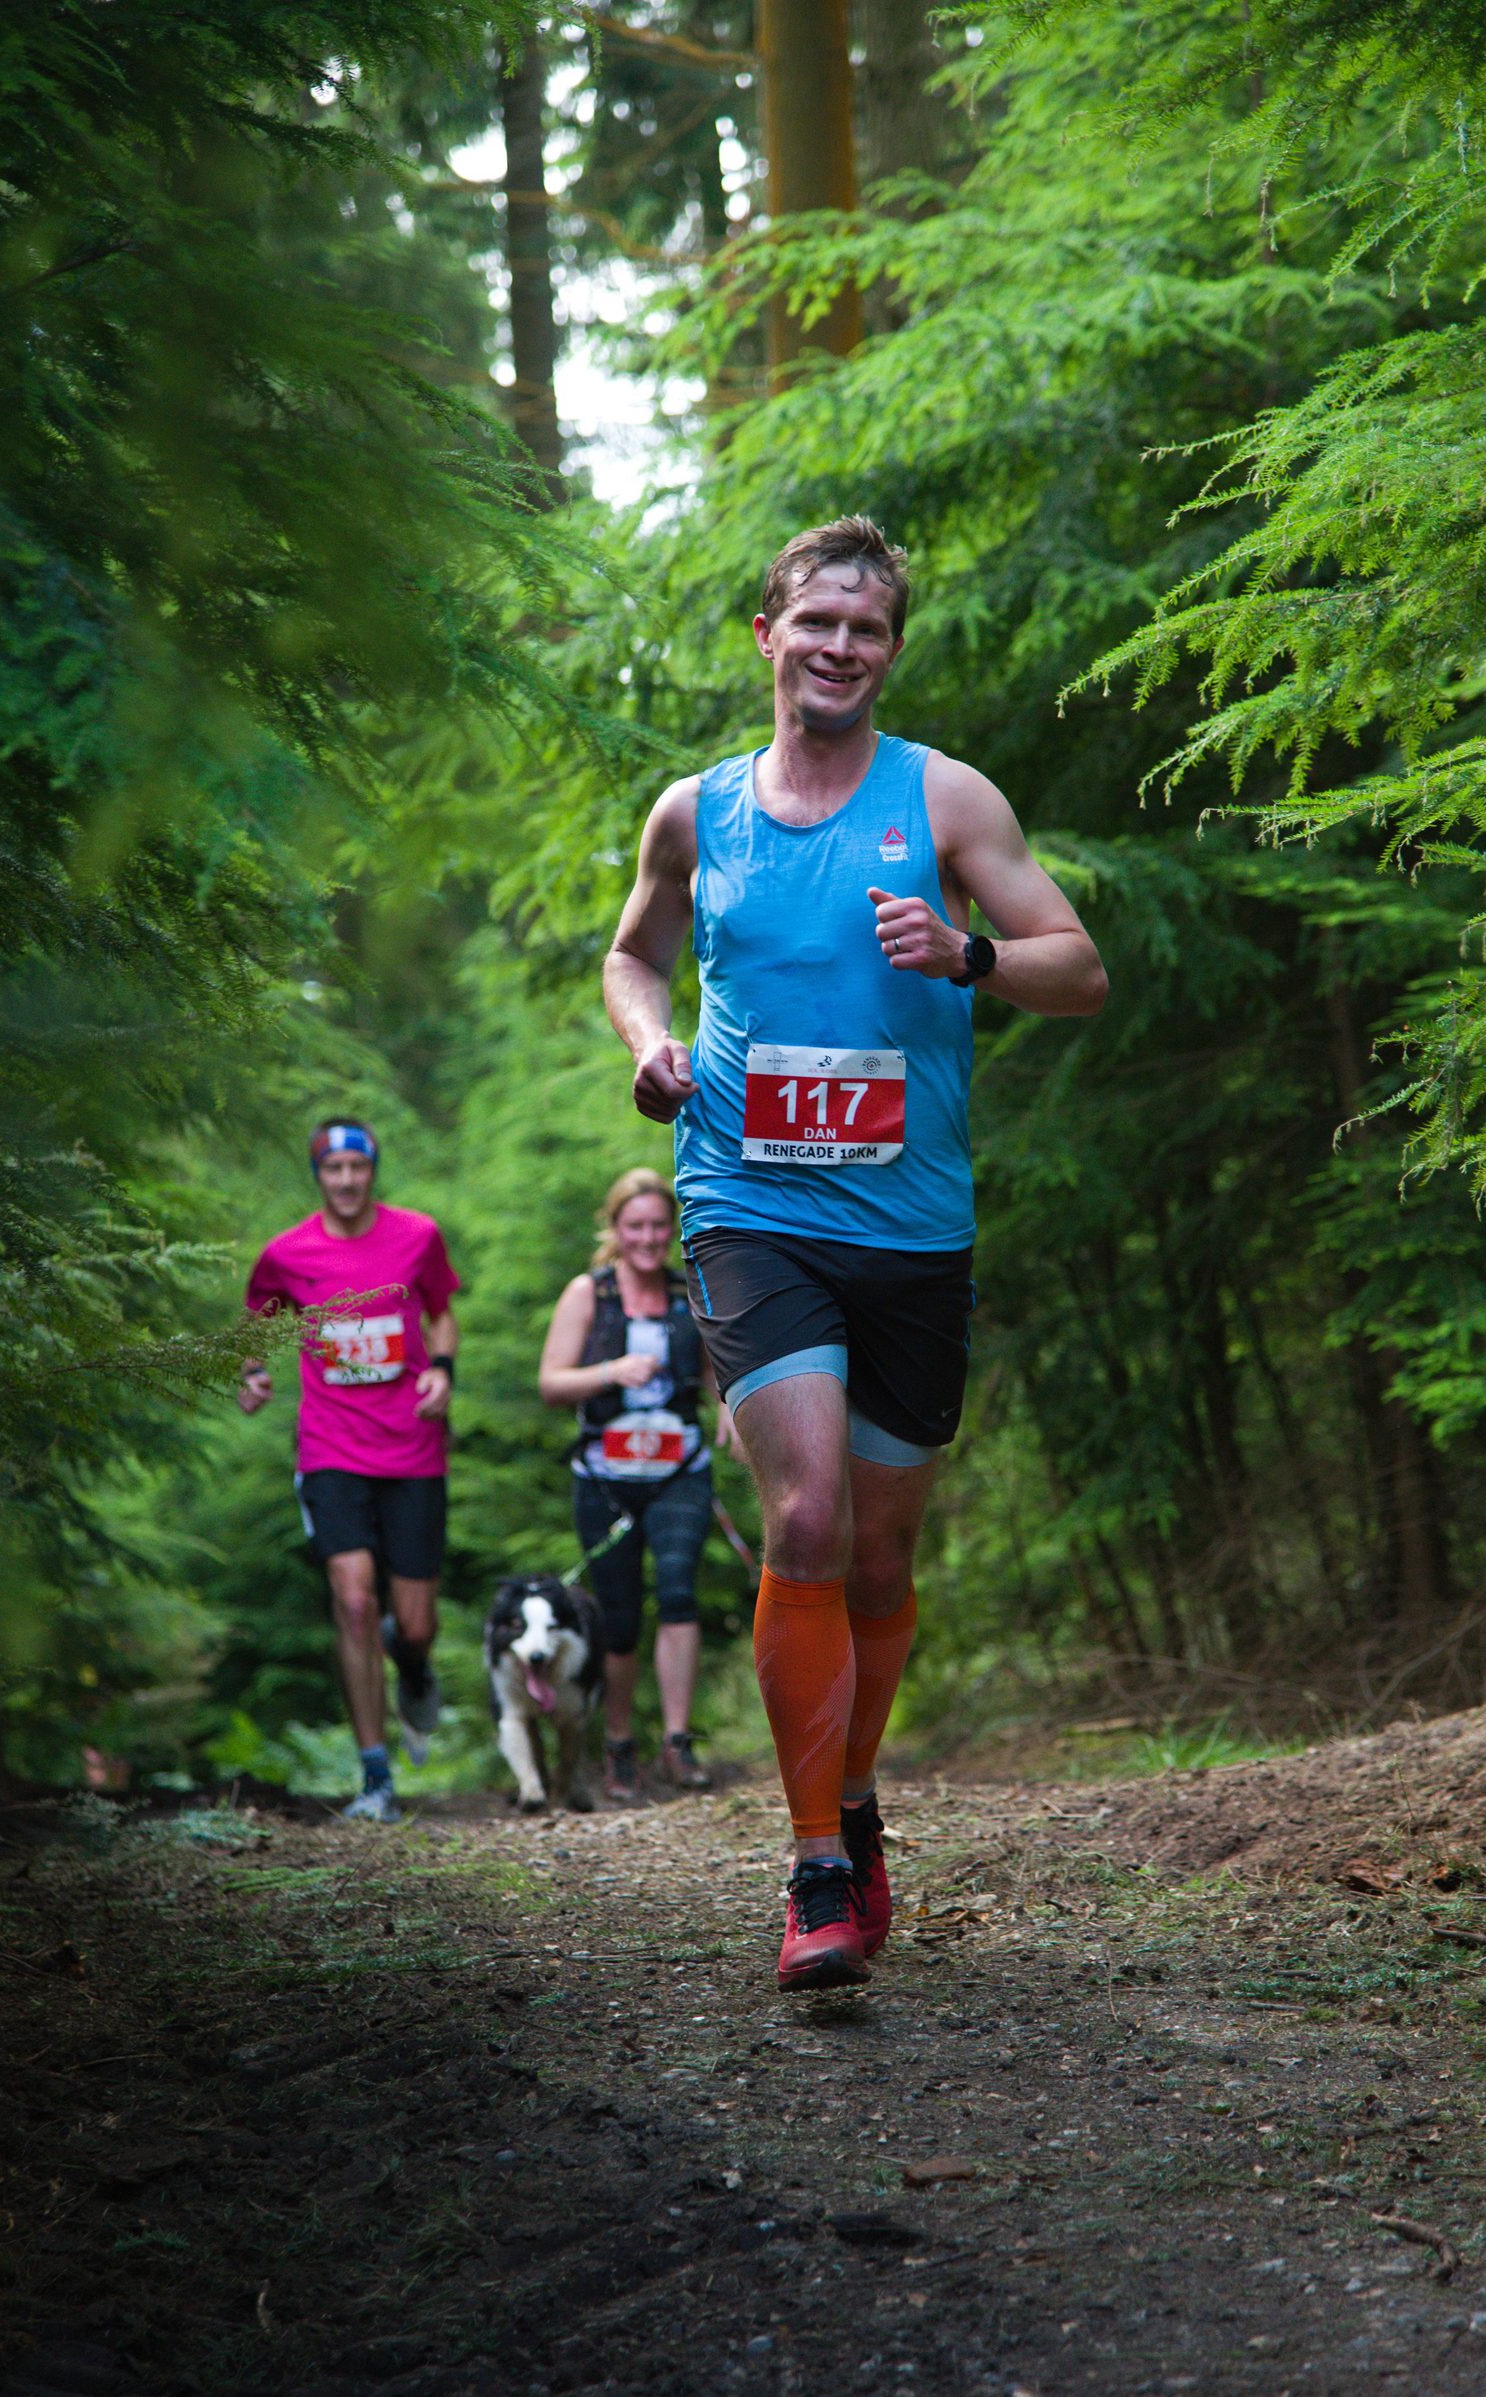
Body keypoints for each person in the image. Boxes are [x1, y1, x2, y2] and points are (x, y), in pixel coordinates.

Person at [603, 515, 1107, 1989]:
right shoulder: (696, 813)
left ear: (890, 651)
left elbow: (1077, 967)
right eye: (815, 622)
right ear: (768, 637)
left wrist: (969, 957)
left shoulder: (943, 801)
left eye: (866, 629)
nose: (838, 648)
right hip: (750, 1204)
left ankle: (856, 1800)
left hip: (911, 1227)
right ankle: (817, 1866)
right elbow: (633, 954)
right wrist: (652, 1041)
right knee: (809, 1515)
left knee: (881, 1556)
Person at [237, 1119, 461, 1825]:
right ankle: (375, 1777)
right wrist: (252, 1371)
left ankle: (414, 1663)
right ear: (317, 1173)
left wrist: (445, 1372)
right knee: (355, 1600)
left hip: (413, 1448)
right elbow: (255, 1322)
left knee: (415, 1623)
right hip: (331, 1449)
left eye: (355, 1167)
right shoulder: (286, 1253)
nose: (344, 1179)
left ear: (372, 1171)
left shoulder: (417, 1236)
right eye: (331, 1167)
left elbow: (443, 1314)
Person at [538, 1167, 736, 1801]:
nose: (649, 1238)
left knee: (679, 1594)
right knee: (619, 1618)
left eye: (658, 1225)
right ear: (616, 1230)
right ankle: (618, 1745)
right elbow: (551, 1382)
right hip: (605, 1477)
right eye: (636, 1226)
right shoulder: (588, 1295)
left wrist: (730, 1404)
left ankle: (677, 1742)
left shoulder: (689, 1294)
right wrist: (611, 1371)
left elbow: (715, 1373)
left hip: (680, 1469)